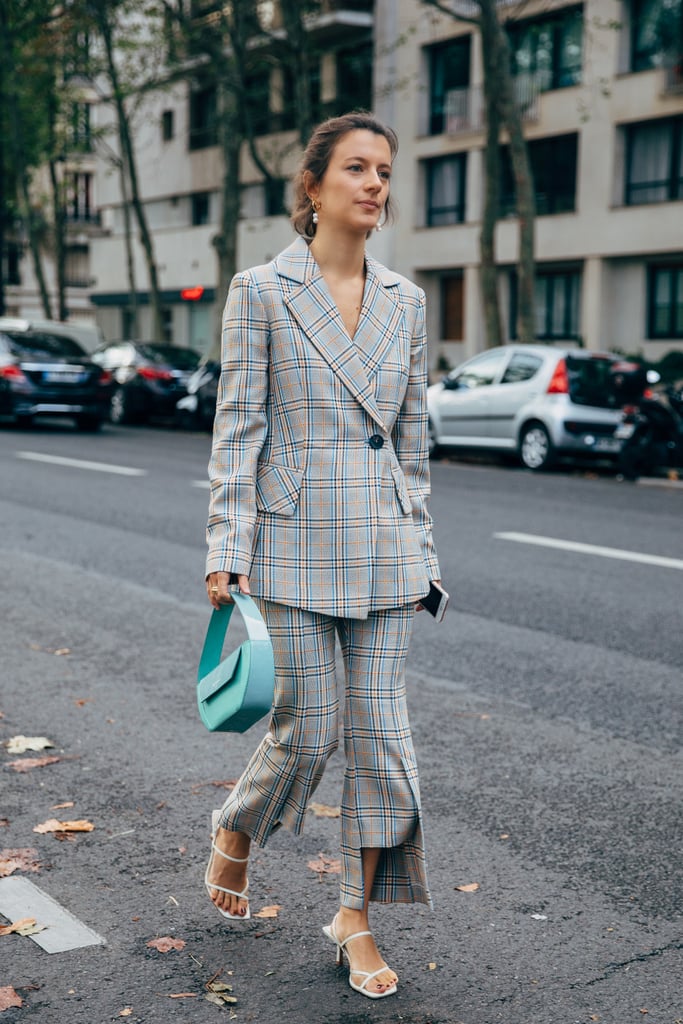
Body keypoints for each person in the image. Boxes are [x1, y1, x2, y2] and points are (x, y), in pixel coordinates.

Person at [204, 111, 442, 1000]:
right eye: (356, 168)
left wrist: (423, 553)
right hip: (294, 540)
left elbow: (413, 442)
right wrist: (227, 547)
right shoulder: (260, 290)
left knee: (382, 743)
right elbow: (239, 429)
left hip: (384, 549)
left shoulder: (406, 301)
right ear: (312, 186)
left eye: (384, 169)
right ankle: (238, 823)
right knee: (307, 733)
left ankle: (354, 915)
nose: (375, 184)